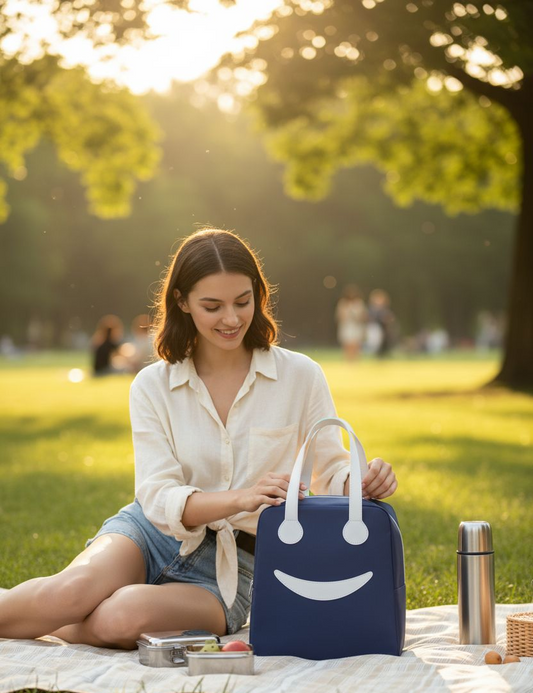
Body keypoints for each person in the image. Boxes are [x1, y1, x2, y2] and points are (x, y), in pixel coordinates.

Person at [0, 229, 397, 649]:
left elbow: (331, 469)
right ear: (181, 301)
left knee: (120, 617)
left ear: (258, 296)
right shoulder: (152, 384)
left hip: (238, 566)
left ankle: (40, 615)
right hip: (150, 534)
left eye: (243, 302)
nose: (231, 319)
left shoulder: (301, 375)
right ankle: (50, 608)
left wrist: (361, 482)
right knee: (68, 593)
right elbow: (155, 494)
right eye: (213, 306)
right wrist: (240, 498)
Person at [335, 285, 368, 361]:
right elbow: (339, 316)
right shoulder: (342, 303)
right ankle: (347, 360)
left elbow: (363, 316)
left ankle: (356, 360)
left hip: (356, 326)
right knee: (347, 343)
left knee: (356, 343)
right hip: (346, 325)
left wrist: (356, 316)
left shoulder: (359, 303)